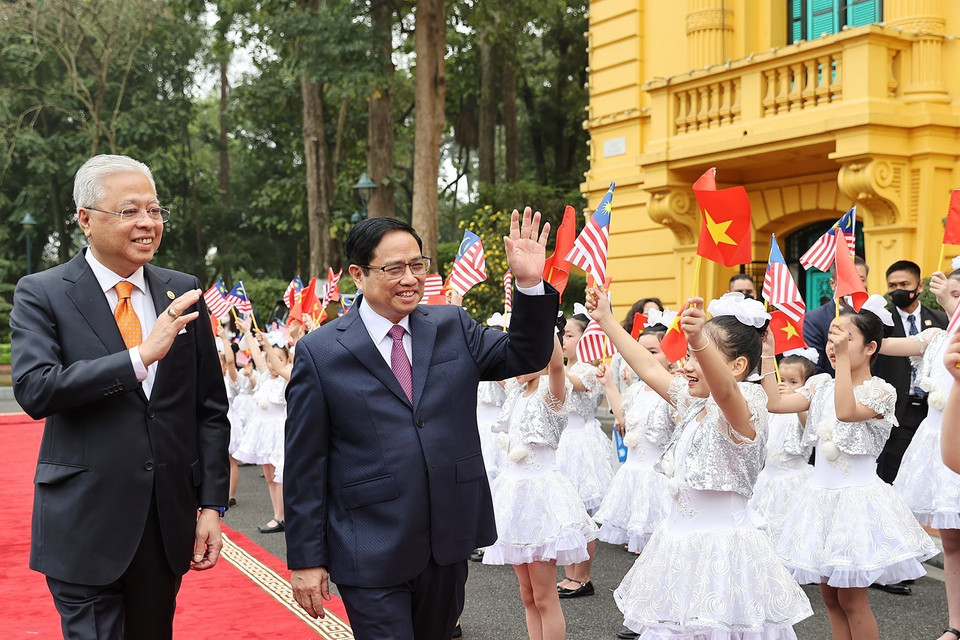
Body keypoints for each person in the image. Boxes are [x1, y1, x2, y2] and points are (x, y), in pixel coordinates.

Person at [282, 210, 558, 640]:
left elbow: (526, 355)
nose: (409, 277)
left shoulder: (452, 326)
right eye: (393, 268)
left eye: (417, 265)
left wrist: (528, 284)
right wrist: (305, 559)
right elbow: (304, 463)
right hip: (368, 544)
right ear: (358, 273)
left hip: (447, 539)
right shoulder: (320, 352)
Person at [9, 154, 230, 640]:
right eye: (129, 211)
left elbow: (209, 410)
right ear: (86, 220)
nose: (147, 223)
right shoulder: (43, 292)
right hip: (83, 524)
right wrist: (140, 357)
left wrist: (213, 506)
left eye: (154, 210)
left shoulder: (183, 290)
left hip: (165, 524)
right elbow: (36, 388)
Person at [587, 289, 812, 639]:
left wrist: (699, 339)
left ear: (737, 366)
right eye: (688, 355)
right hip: (677, 544)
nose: (686, 364)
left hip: (721, 552)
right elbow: (647, 366)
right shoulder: (694, 402)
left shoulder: (747, 404)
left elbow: (726, 393)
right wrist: (607, 320)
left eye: (697, 356)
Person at [762, 297, 938, 639]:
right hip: (819, 498)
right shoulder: (820, 384)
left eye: (845, 338)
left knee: (852, 597)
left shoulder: (881, 391)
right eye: (831, 336)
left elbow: (846, 411)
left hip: (856, 502)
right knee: (829, 595)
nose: (834, 344)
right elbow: (776, 402)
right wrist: (769, 354)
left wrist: (841, 359)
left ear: (871, 347)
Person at [483, 335, 598, 639]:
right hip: (512, 495)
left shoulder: (552, 391)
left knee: (545, 595)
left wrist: (543, 322)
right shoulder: (516, 392)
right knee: (527, 594)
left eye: (526, 356)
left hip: (541, 497)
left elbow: (558, 367)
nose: (517, 365)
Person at [880, 269, 960, 640]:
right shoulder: (935, 339)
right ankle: (955, 625)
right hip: (934, 443)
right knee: (951, 540)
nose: (954, 298)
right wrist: (855, 322)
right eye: (952, 291)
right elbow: (883, 345)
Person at [875, 260, 949, 486]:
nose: (898, 290)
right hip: (899, 410)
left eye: (904, 283)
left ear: (919, 286)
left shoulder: (941, 319)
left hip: (934, 409)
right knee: (895, 473)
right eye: (892, 285)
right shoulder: (880, 322)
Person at [748, 349, 815, 523]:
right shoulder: (771, 411)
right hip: (767, 479)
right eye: (782, 380)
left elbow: (810, 429)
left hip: (793, 481)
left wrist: (796, 398)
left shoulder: (805, 410)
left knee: (789, 523)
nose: (785, 385)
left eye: (793, 382)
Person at [803, 255, 869, 376]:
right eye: (847, 280)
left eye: (860, 280)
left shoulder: (873, 315)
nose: (855, 285)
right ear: (833, 284)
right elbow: (814, 366)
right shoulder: (815, 319)